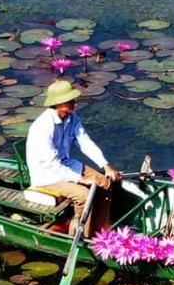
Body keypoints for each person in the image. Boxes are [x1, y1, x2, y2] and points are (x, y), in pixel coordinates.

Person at [25, 81, 118, 230]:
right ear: (58, 103)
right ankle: (82, 234)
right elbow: (52, 164)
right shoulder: (42, 127)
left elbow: (85, 142)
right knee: (84, 195)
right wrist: (82, 179)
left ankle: (100, 227)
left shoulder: (72, 117)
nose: (74, 103)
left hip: (66, 164)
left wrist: (105, 165)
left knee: (104, 183)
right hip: (47, 175)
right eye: (70, 100)